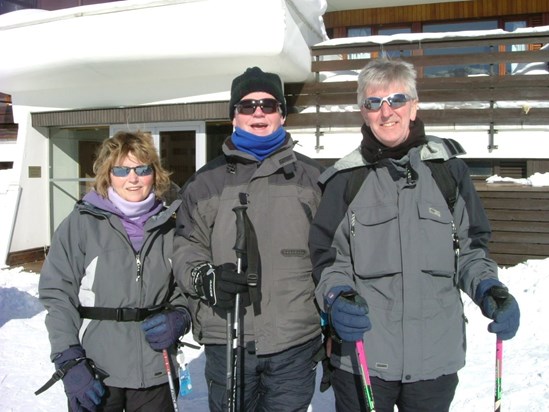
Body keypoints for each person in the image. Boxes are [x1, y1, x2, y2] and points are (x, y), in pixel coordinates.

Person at [309, 58, 520, 412]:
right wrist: (337, 296)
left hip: (433, 361)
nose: (386, 111)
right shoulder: (344, 180)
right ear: (363, 111)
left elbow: (471, 249)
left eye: (397, 99)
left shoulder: (448, 172)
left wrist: (488, 288)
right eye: (374, 103)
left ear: (414, 106)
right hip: (365, 358)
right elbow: (327, 258)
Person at [173, 66, 325, 411]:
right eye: (247, 105)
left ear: (282, 115)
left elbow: (331, 251)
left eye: (269, 105)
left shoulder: (313, 178)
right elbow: (185, 247)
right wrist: (203, 278)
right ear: (234, 117)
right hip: (228, 336)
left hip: (294, 341)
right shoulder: (205, 182)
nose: (258, 111)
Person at [38, 131, 191, 411]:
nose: (132, 178)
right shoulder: (81, 223)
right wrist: (68, 359)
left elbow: (182, 289)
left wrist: (180, 317)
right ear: (108, 174)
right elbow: (57, 295)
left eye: (141, 169)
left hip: (155, 368)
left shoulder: (170, 226)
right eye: (121, 169)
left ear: (154, 174)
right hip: (96, 370)